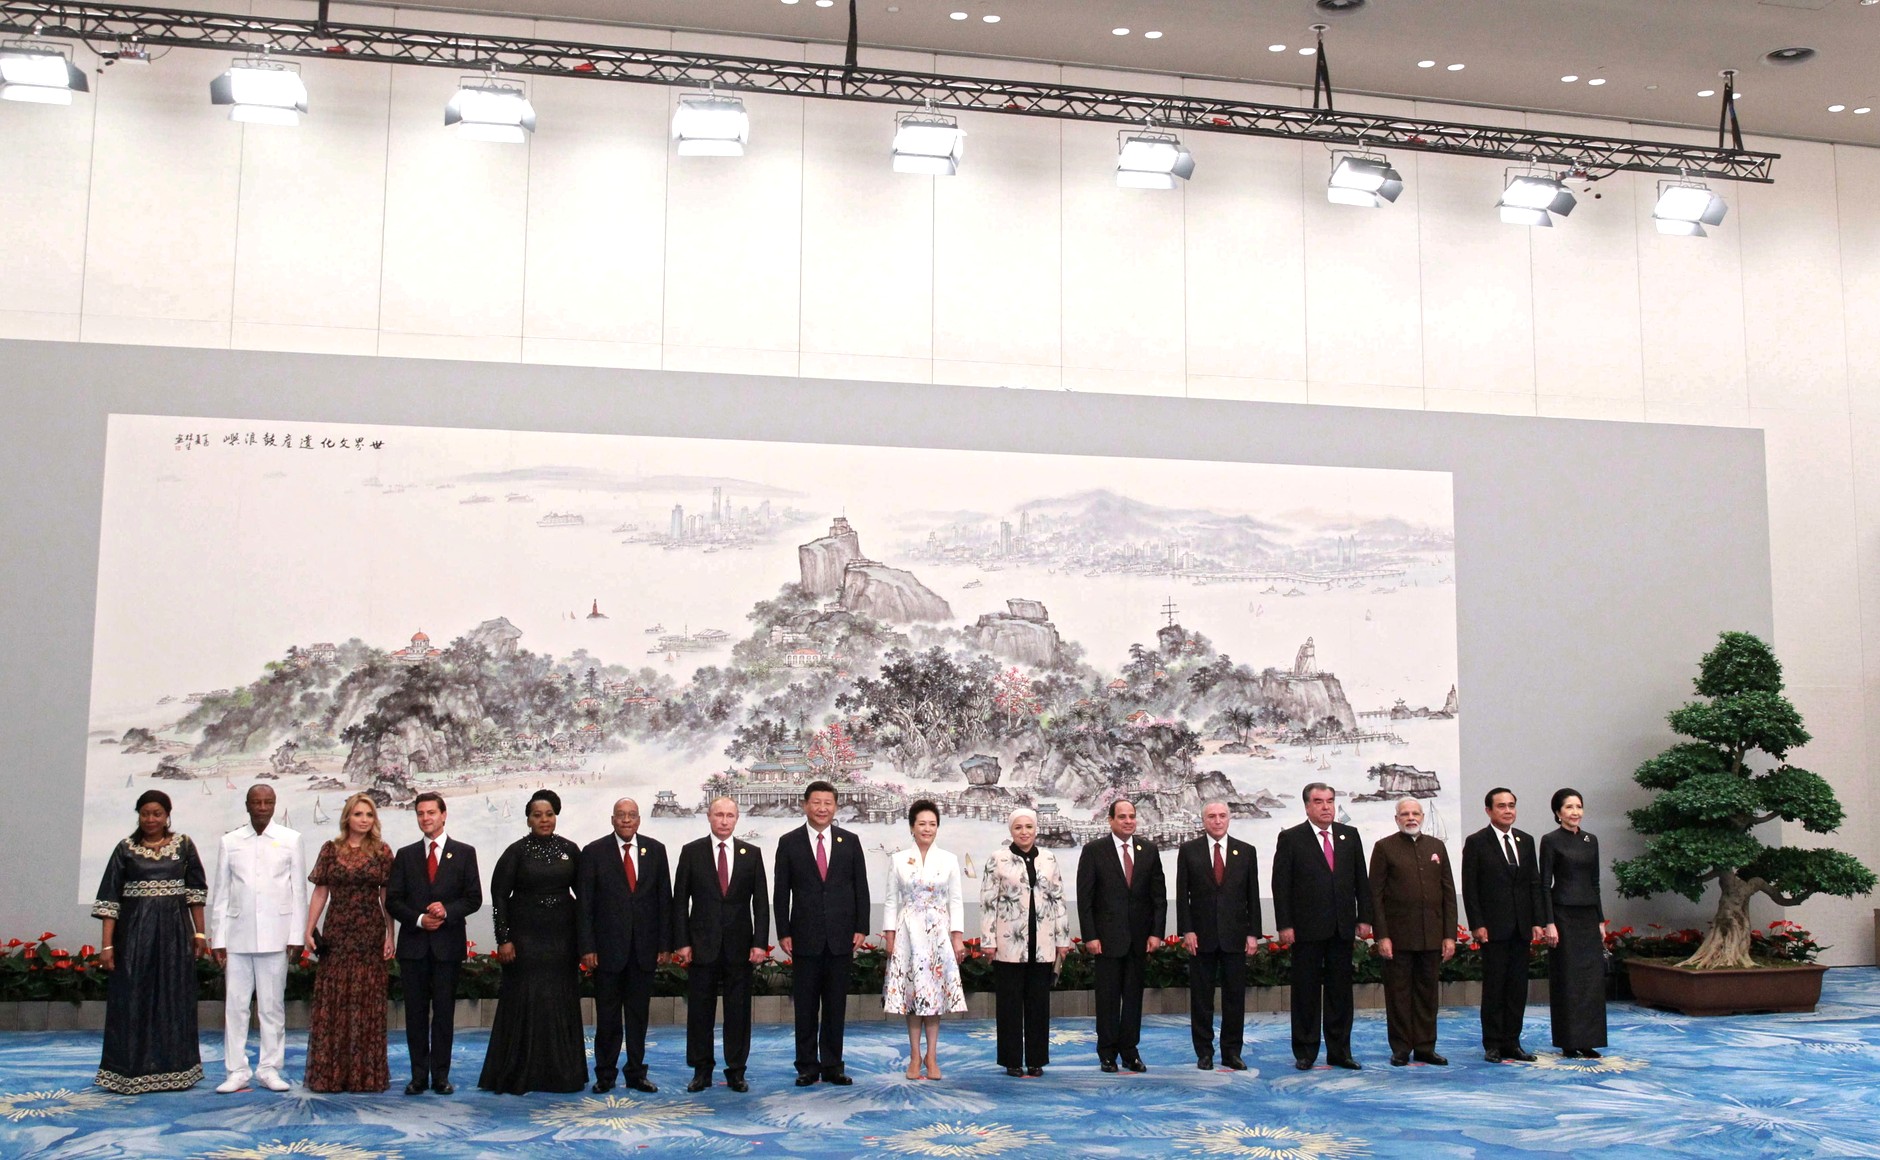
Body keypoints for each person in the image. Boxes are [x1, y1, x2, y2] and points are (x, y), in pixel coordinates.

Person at [93, 790, 209, 1093]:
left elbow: (195, 893)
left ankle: (177, 1071)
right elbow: (109, 901)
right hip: (133, 937)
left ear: (167, 815)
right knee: (132, 998)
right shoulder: (125, 849)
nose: (151, 819)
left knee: (174, 997)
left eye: (157, 813)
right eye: (145, 813)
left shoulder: (183, 846)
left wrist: (199, 933)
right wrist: (107, 947)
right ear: (138, 815)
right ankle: (128, 1073)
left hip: (174, 935)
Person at [478, 789, 588, 1094]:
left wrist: (585, 940)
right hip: (525, 939)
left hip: (562, 940)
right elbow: (499, 896)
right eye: (537, 815)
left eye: (549, 814)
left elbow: (584, 896)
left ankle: (562, 1073)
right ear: (528, 818)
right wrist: (505, 939)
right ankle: (520, 1071)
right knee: (526, 999)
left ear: (556, 816)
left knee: (559, 999)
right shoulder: (516, 852)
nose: (544, 820)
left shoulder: (571, 850)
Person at [209, 784, 307, 1093]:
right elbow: (222, 893)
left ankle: (269, 1068)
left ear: (275, 804)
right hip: (237, 937)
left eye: (268, 802)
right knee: (236, 1006)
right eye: (256, 802)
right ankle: (236, 1070)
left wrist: (296, 936)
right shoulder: (230, 841)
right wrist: (218, 939)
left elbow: (298, 892)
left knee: (271, 1007)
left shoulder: (291, 840)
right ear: (247, 805)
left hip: (277, 937)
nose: (262, 807)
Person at [773, 780, 871, 1086]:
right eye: (816, 802)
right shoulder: (789, 842)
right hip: (804, 936)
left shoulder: (850, 841)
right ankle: (807, 1066)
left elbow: (861, 889)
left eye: (828, 803)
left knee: (835, 1005)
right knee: (805, 1006)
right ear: (805, 805)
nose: (822, 808)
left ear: (835, 807)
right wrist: (783, 931)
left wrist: (861, 926)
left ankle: (832, 1065)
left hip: (841, 936)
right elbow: (780, 893)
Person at [1271, 782, 1373, 1071]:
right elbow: (1281, 886)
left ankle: (1340, 1051)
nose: (1326, 806)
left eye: (1330, 801)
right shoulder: (1291, 838)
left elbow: (1360, 882)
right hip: (1305, 929)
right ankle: (1305, 1051)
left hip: (1342, 928)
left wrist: (1364, 917)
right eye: (1318, 801)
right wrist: (1285, 924)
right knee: (1305, 991)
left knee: (1340, 992)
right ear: (1307, 806)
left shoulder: (1349, 836)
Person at [671, 797, 769, 1093]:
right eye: (719, 815)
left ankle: (736, 1070)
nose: (724, 821)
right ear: (708, 817)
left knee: (738, 1011)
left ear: (737, 819)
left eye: (730, 815)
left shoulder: (751, 853)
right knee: (700, 1010)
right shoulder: (692, 852)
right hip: (702, 945)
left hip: (740, 946)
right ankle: (702, 1070)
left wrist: (760, 943)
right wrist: (682, 942)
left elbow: (761, 904)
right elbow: (679, 902)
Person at [386, 791, 481, 1095]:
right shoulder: (406, 855)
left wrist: (448, 911)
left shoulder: (464, 852)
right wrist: (417, 919)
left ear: (444, 814)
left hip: (446, 947)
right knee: (414, 1014)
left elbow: (473, 898)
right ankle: (417, 1076)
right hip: (414, 947)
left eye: (431, 812)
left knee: (443, 1014)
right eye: (420, 813)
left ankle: (440, 1076)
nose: (425, 818)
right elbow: (393, 901)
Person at [578, 797, 671, 1094]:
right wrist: (587, 947)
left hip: (643, 950)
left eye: (632, 815)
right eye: (621, 815)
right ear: (612, 819)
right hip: (606, 952)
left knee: (638, 1017)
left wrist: (664, 944)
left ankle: (636, 1073)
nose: (627, 820)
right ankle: (605, 1074)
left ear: (639, 819)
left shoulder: (655, 850)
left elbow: (663, 902)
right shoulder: (594, 852)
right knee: (606, 1017)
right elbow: (585, 906)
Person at [302, 793, 395, 1092]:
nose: (364, 819)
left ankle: (364, 1075)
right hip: (338, 932)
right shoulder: (330, 849)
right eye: (358, 814)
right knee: (335, 999)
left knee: (366, 1000)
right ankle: (331, 1074)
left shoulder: (382, 851)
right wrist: (308, 928)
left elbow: (386, 898)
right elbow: (320, 892)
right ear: (347, 818)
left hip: (369, 933)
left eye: (369, 814)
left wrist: (390, 934)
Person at [1075, 798, 1166, 1073]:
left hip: (1139, 940)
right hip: (1106, 940)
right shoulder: (1094, 851)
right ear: (1111, 820)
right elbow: (1085, 899)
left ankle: (1130, 1052)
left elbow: (1158, 897)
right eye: (1122, 817)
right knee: (1108, 999)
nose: (1128, 821)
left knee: (1134, 999)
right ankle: (1107, 1053)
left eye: (1132, 817)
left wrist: (1156, 933)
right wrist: (1090, 936)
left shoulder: (1148, 850)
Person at [980, 807, 1070, 1078]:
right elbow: (987, 902)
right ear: (1011, 831)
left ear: (1036, 829)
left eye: (1028, 827)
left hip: (1043, 943)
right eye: (1018, 827)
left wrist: (1063, 939)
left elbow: (1058, 900)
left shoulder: (1049, 858)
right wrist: (988, 940)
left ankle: (1036, 1060)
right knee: (1009, 1005)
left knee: (1038, 1004)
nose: (1024, 832)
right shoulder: (998, 858)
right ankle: (1011, 1060)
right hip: (1009, 943)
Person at [1367, 797, 1457, 1067]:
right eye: (1404, 814)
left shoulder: (1437, 846)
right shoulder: (1384, 848)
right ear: (1396, 819)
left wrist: (1449, 935)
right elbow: (1376, 895)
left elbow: (1448, 893)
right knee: (1399, 995)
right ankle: (1401, 1048)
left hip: (1431, 935)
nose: (1411, 818)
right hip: (1397, 938)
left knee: (1428, 995)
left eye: (1415, 813)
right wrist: (1382, 935)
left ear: (1422, 817)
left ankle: (1426, 1047)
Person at [883, 800, 968, 1080]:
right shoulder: (897, 859)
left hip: (938, 933)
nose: (927, 828)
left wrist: (957, 938)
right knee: (912, 996)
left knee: (933, 996)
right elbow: (890, 901)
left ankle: (932, 1056)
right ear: (912, 827)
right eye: (922, 823)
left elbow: (955, 901)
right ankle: (914, 1056)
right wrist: (890, 937)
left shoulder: (948, 859)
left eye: (932, 824)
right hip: (908, 932)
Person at [1462, 786, 1546, 1063]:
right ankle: (1493, 1044)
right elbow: (1470, 887)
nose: (1508, 810)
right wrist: (1477, 923)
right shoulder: (1476, 842)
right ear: (1489, 810)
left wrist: (1537, 920)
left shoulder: (1526, 840)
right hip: (1493, 928)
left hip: (1522, 928)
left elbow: (1533, 882)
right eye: (1501, 806)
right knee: (1495, 987)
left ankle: (1513, 1042)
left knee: (1517, 988)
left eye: (1511, 805)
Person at [1175, 801, 1261, 1071]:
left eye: (1222, 816)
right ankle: (1204, 1052)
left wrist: (1253, 933)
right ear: (1203, 821)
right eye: (1211, 816)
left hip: (1235, 936)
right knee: (1202, 998)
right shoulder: (1189, 851)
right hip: (1201, 937)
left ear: (1229, 819)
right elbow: (1182, 895)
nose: (1217, 821)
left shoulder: (1246, 852)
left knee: (1234, 998)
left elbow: (1252, 896)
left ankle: (1232, 1052)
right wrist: (1187, 930)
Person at [1540, 788, 1608, 1059]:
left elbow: (1595, 883)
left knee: (1590, 981)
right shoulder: (1550, 841)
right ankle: (1569, 1041)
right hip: (1563, 916)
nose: (1575, 812)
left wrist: (1601, 919)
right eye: (1569, 807)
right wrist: (1549, 921)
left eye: (1578, 806)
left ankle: (1588, 1040)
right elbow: (1545, 885)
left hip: (1588, 916)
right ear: (1558, 813)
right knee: (1568, 980)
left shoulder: (1592, 840)